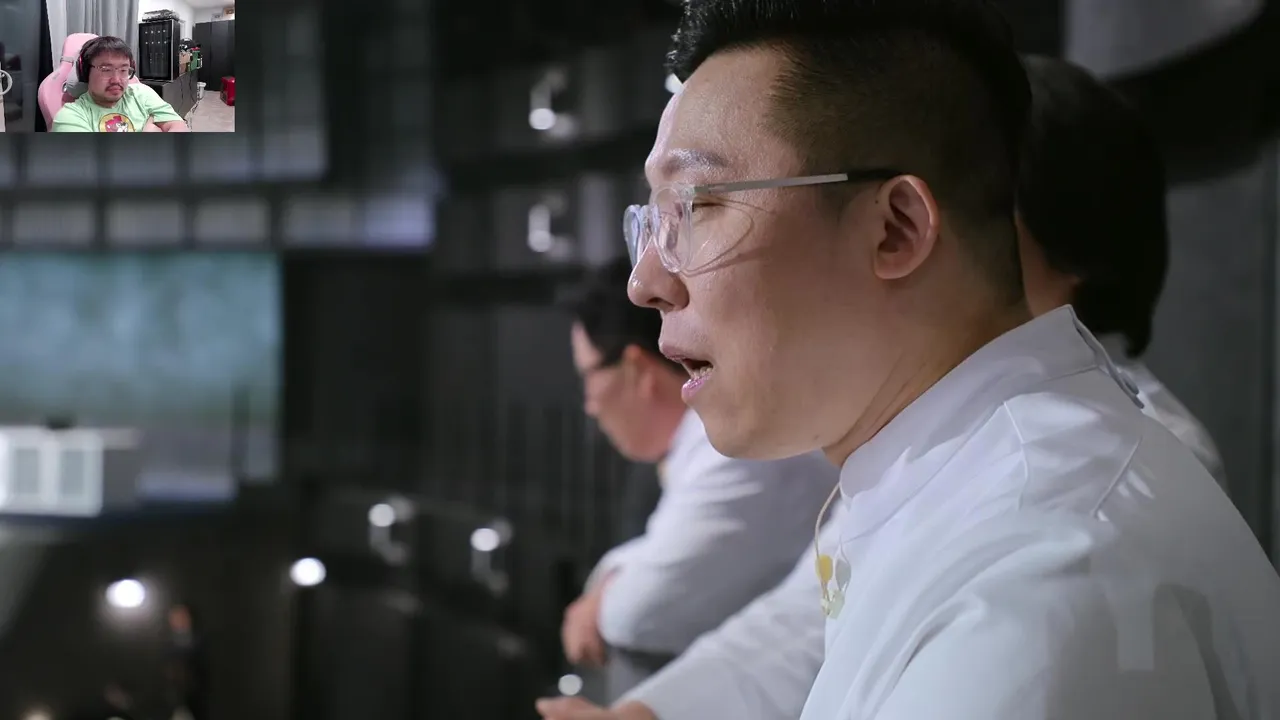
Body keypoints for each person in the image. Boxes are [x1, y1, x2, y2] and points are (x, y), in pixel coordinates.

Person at [534, 55, 1236, 720]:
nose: (647, 284)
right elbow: (808, 618)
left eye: (704, 204)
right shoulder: (945, 448)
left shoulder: (1061, 532)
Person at [559, 258, 838, 701]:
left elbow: (641, 610)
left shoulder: (735, 450)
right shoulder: (690, 450)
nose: (589, 406)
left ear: (637, 369)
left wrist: (602, 597)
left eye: (587, 379)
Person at [51, 36, 189, 133]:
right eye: (106, 70)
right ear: (85, 72)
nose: (116, 80)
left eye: (123, 70)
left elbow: (178, 126)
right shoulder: (70, 116)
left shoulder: (142, 93)